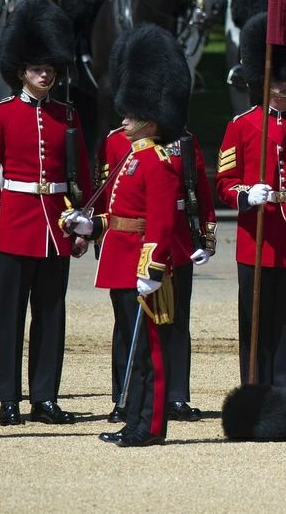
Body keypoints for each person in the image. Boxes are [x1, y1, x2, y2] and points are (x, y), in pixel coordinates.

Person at [63, 23, 190, 447]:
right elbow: (118, 214)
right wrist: (90, 224)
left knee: (150, 352)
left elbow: (161, 221)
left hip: (142, 267)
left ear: (151, 120)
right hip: (121, 261)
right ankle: (133, 420)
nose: (125, 120)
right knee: (134, 352)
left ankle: (150, 427)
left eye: (132, 115)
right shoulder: (130, 157)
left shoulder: (159, 162)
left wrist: (153, 267)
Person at [0, 0, 92, 427]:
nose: (45, 75)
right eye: (37, 68)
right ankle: (7, 396)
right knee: (10, 315)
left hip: (56, 227)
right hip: (16, 222)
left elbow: (80, 177)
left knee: (51, 315)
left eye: (50, 69)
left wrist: (83, 225)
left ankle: (44, 396)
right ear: (21, 70)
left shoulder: (67, 115)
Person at [215, 12, 286, 387]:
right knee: (256, 318)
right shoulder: (241, 125)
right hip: (258, 236)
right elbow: (224, 183)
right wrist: (246, 195)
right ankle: (256, 387)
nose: (284, 89)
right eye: (278, 82)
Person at [95, 113, 216, 425]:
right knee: (127, 324)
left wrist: (205, 234)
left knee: (176, 320)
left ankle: (175, 394)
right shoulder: (114, 140)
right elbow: (110, 192)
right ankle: (124, 395)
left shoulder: (183, 139)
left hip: (175, 237)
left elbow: (199, 186)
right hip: (131, 238)